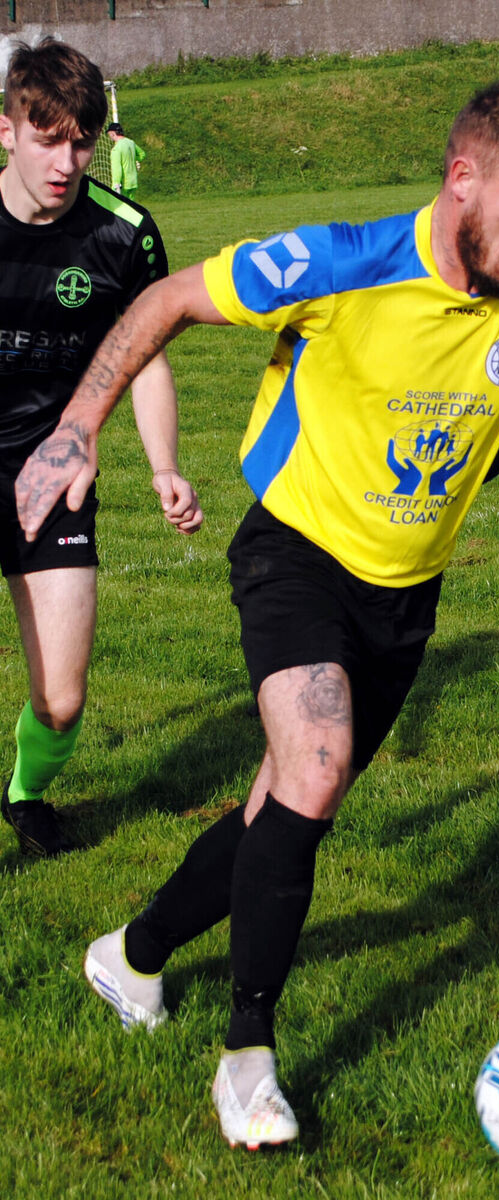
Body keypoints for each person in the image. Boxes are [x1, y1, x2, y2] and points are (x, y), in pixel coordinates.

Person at [16, 77, 499, 1148]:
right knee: (312, 764)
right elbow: (167, 303)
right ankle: (247, 1055)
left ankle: (132, 955)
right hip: (294, 549)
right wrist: (77, 427)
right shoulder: (343, 261)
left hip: (406, 588)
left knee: (286, 807)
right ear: (461, 180)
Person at [0, 38, 202, 859]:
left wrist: (164, 466)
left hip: (55, 475)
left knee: (63, 698)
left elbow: (145, 356)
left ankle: (25, 792)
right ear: (6, 130)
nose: (67, 159)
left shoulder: (123, 235)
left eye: (81, 139)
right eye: (47, 137)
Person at [106, 121, 145, 200]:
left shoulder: (116, 149)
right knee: (132, 206)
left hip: (124, 183)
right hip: (133, 181)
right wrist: (134, 159)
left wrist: (116, 184)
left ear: (112, 133)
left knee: (121, 208)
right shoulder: (131, 142)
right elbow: (142, 154)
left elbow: (117, 168)